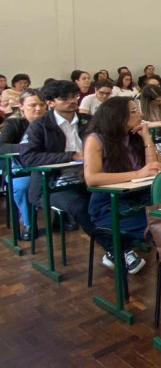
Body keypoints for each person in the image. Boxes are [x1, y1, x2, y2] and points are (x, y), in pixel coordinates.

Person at [83, 97, 161, 274]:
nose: (140, 114)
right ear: (117, 116)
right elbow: (92, 179)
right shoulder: (96, 140)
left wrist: (147, 138)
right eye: (134, 111)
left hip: (140, 198)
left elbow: (156, 168)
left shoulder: (134, 136)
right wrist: (137, 174)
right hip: (110, 205)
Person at [19, 81, 95, 247]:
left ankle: (124, 241)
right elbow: (29, 158)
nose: (72, 101)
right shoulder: (40, 126)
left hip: (89, 177)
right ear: (50, 102)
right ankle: (115, 248)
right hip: (53, 184)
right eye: (64, 98)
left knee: (114, 198)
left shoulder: (89, 121)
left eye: (74, 96)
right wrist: (71, 156)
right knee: (81, 206)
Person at [0, 89, 46, 240]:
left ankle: (61, 219)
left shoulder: (50, 122)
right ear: (21, 106)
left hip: (45, 165)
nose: (38, 109)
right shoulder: (13, 123)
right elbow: (1, 146)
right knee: (23, 186)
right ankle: (29, 223)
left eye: (41, 104)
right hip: (19, 168)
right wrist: (27, 148)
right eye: (33, 105)